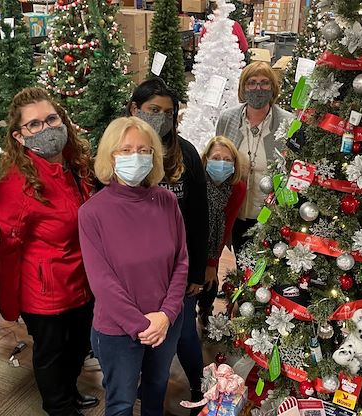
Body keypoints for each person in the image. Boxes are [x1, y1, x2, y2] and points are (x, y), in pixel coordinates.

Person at [0, 87, 98, 416]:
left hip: (82, 283)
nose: (46, 128)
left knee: (78, 347)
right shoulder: (15, 186)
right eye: (34, 124)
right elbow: (6, 251)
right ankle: (59, 406)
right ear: (20, 136)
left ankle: (69, 392)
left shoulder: (75, 167)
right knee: (52, 353)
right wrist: (8, 303)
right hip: (46, 294)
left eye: (51, 119)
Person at [79, 117, 188, 416]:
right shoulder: (92, 213)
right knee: (122, 402)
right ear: (110, 156)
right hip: (118, 329)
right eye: (125, 150)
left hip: (166, 323)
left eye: (143, 149)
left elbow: (181, 262)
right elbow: (102, 282)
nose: (135, 156)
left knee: (156, 390)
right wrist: (144, 327)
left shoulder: (167, 201)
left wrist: (165, 316)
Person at [126, 77, 209, 410]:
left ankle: (198, 386)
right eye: (153, 110)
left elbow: (200, 217)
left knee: (184, 334)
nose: (161, 117)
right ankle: (144, 388)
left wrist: (199, 272)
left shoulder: (185, 153)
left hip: (179, 272)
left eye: (168, 112)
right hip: (135, 274)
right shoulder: (122, 154)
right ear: (135, 109)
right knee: (139, 336)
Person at [215, 61, 295, 253]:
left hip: (272, 216)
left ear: (273, 88)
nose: (258, 88)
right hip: (237, 212)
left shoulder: (288, 122)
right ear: (243, 87)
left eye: (264, 82)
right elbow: (216, 159)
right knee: (242, 265)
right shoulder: (228, 119)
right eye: (251, 82)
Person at [197, 136, 246, 323]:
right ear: (206, 158)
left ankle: (205, 310)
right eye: (216, 158)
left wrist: (211, 262)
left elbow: (226, 226)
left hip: (214, 240)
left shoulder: (237, 188)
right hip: (191, 240)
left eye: (227, 160)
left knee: (210, 281)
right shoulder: (197, 181)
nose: (222, 164)